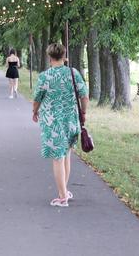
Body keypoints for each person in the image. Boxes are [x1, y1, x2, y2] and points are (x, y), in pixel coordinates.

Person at [32, 43, 89, 207]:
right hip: (71, 121)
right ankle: (63, 190)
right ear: (64, 56)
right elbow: (84, 96)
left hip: (53, 122)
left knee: (58, 158)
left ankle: (63, 197)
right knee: (66, 155)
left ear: (49, 57)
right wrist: (83, 112)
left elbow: (37, 98)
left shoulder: (45, 76)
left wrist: (34, 111)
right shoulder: (73, 73)